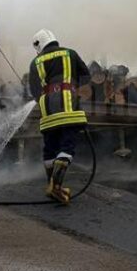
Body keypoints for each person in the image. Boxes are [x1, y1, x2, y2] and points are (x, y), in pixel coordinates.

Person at [28, 29, 90, 204]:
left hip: (48, 112)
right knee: (67, 146)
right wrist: (71, 85)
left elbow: (34, 91)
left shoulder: (35, 62)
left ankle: (52, 185)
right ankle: (56, 187)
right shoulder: (70, 53)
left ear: (38, 45)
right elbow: (86, 76)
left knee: (50, 148)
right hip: (69, 108)